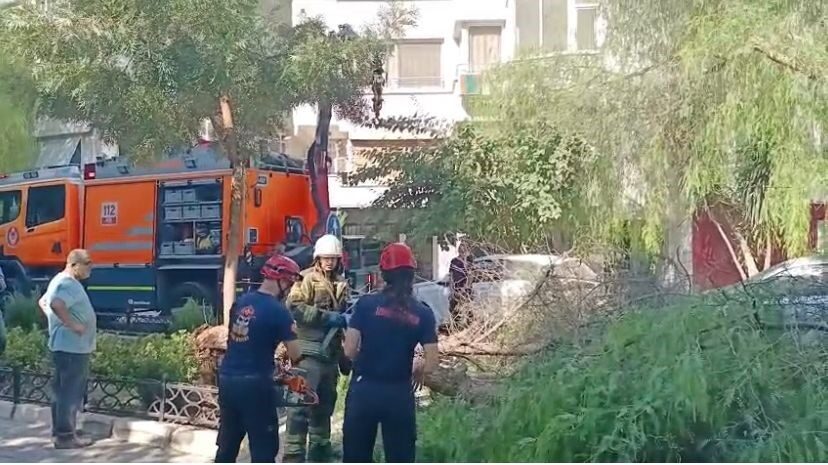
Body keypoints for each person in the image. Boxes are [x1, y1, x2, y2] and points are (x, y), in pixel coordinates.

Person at [341, 242, 439, 463]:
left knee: (356, 455)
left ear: (384, 273)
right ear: (412, 274)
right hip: (399, 393)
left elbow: (349, 350)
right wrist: (417, 368)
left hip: (364, 390)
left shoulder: (366, 304)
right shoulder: (423, 313)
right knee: (400, 456)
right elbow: (433, 362)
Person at [214, 254, 304, 463]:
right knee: (264, 449)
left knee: (227, 445)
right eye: (290, 283)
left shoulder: (241, 302)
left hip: (227, 381)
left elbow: (239, 342)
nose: (289, 289)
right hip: (255, 386)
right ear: (282, 281)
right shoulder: (279, 311)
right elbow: (296, 354)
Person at [283, 234, 350, 463]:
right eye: (325, 258)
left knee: (324, 405)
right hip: (307, 354)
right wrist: (325, 317)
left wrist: (344, 354)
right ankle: (294, 455)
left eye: (333, 258)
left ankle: (320, 451)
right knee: (299, 406)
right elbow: (294, 307)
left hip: (330, 356)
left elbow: (344, 318)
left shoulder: (341, 283)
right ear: (318, 258)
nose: (329, 262)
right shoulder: (306, 279)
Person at [39, 249, 96, 449]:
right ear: (73, 265)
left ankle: (60, 432)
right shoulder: (68, 283)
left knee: (61, 392)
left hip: (64, 345)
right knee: (70, 393)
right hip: (72, 347)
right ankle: (65, 436)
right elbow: (55, 304)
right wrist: (72, 325)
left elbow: (43, 302)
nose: (90, 268)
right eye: (87, 264)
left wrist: (55, 322)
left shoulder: (58, 281)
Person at [448, 242, 473, 325]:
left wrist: (464, 289)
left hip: (466, 290)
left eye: (464, 250)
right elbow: (451, 276)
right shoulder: (454, 261)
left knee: (468, 308)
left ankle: (469, 325)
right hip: (456, 289)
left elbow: (470, 277)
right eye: (461, 250)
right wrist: (452, 290)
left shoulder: (469, 262)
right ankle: (456, 325)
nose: (462, 252)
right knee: (453, 308)